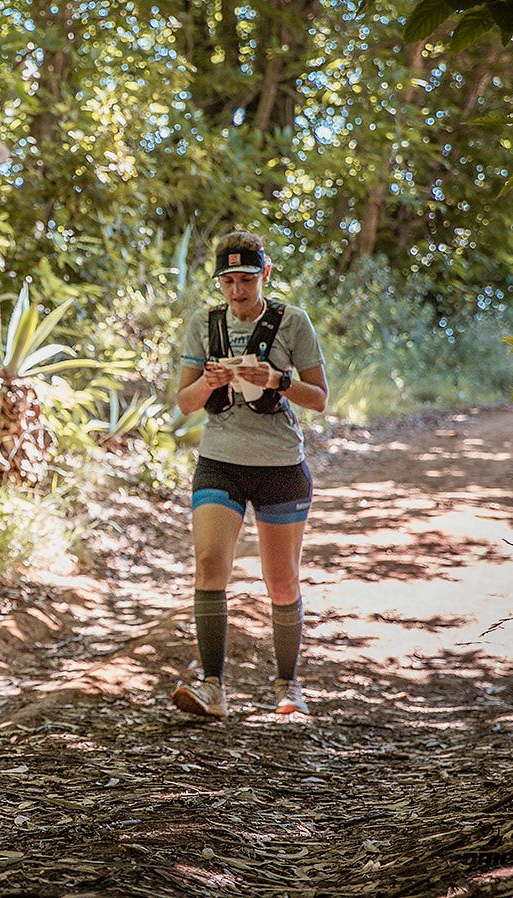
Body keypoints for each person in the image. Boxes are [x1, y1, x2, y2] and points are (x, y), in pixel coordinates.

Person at [169, 229, 329, 719]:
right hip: (220, 461)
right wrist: (209, 382)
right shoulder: (205, 323)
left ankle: (288, 685)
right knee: (210, 563)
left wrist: (277, 380)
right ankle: (212, 686)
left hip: (280, 465)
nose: (237, 291)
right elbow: (184, 402)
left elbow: (320, 399)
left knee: (280, 580)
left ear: (266, 274)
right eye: (228, 281)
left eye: (246, 279)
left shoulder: (292, 323)